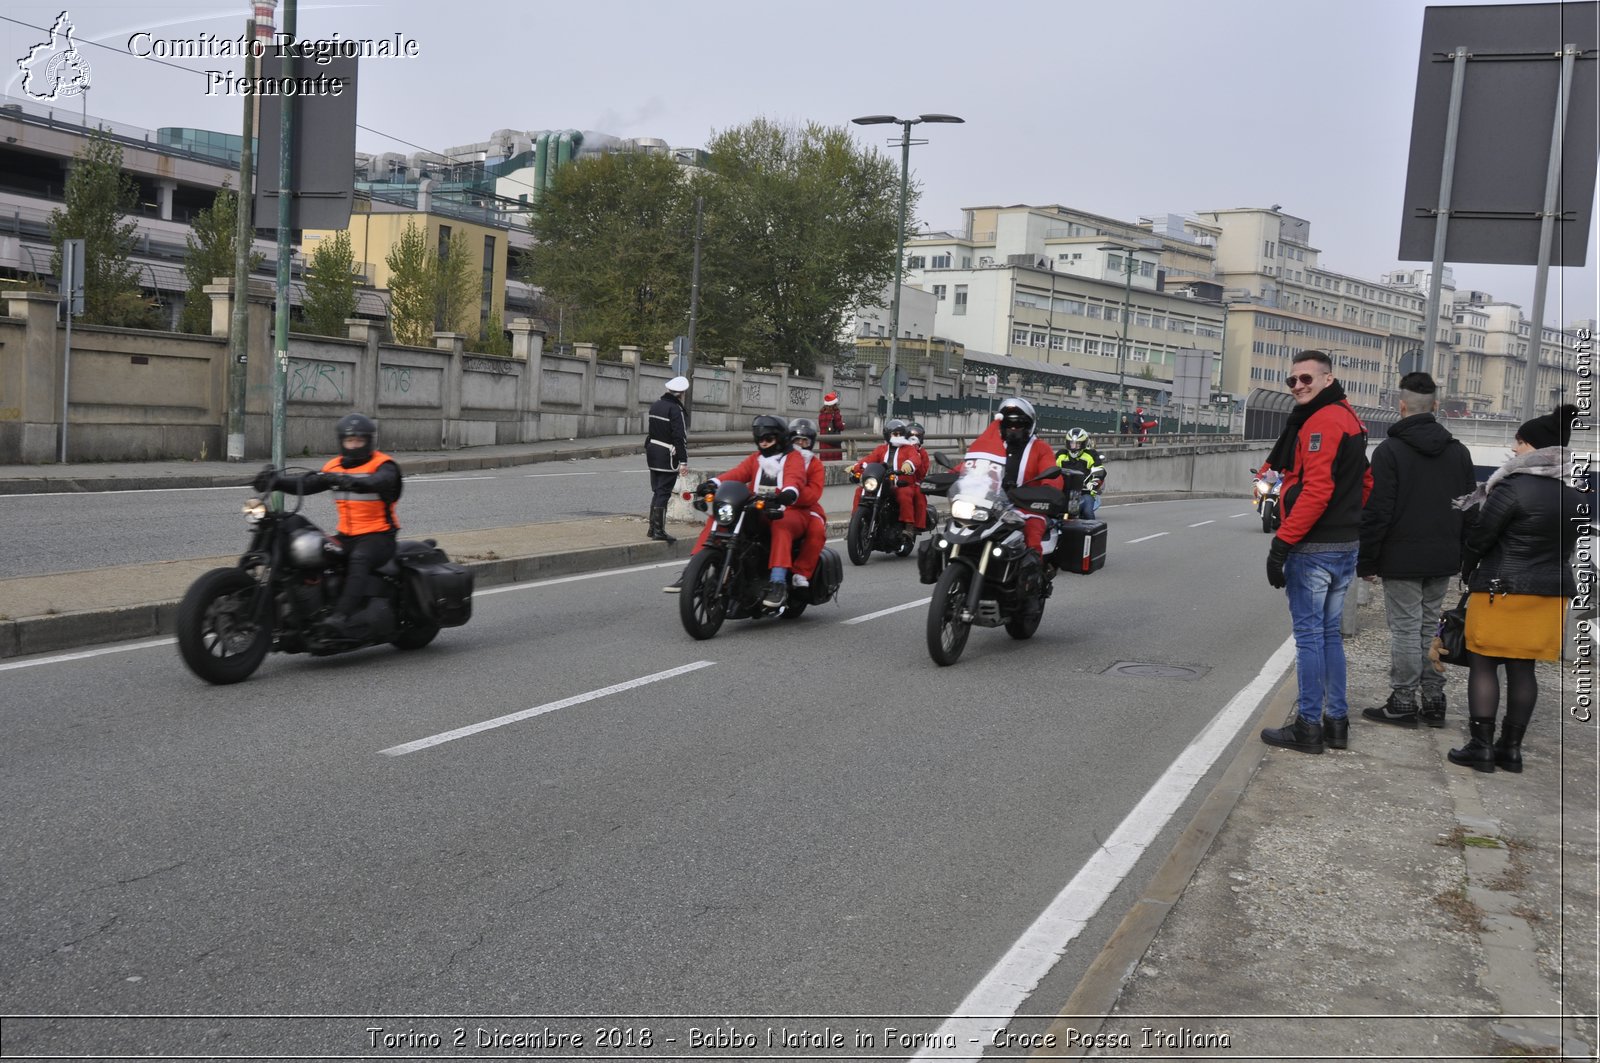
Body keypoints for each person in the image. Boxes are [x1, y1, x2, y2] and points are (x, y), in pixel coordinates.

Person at [1446, 405, 1584, 774]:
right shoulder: (1573, 496)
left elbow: (1481, 537)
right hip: (1550, 594)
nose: (1513, 448)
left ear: (1534, 447)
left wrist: (1468, 566)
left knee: (1484, 662)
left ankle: (1481, 747)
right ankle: (1511, 750)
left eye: (1519, 442)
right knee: (1524, 669)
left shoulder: (1510, 488)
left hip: (1500, 588)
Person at [1259, 351, 1373, 755]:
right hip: (1344, 547)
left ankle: (1308, 726)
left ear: (1328, 379)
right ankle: (1336, 723)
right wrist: (1348, 519)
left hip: (1315, 548)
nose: (1298, 386)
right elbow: (1366, 480)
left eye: (1306, 378)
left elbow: (1317, 490)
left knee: (1309, 637)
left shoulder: (1321, 422)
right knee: (1328, 636)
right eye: (1291, 381)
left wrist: (1282, 544)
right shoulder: (1350, 418)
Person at [1357, 372, 1476, 729]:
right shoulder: (1458, 452)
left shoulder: (1389, 451)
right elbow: (1469, 508)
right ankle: (1435, 700)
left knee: (1407, 629)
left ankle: (1404, 701)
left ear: (1401, 405)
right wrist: (1466, 558)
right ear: (1437, 407)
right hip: (1443, 557)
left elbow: (1378, 511)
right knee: (1430, 626)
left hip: (1401, 556)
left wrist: (1367, 559)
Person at [252, 412, 403, 640]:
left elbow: (381, 482)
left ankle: (341, 617)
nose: (353, 446)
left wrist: (355, 483)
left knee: (359, 558)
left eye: (359, 441)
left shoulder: (383, 465)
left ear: (369, 442)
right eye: (349, 441)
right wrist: (275, 482)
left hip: (379, 537)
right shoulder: (334, 466)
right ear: (341, 441)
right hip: (347, 536)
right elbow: (309, 483)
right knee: (309, 550)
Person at [662, 415, 808, 607]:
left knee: (781, 526)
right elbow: (738, 473)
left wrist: (788, 493)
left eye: (768, 439)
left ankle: (777, 583)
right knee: (718, 519)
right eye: (760, 439)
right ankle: (692, 572)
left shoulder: (793, 457)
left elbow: (794, 478)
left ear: (779, 439)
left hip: (786, 509)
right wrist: (712, 483)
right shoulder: (757, 458)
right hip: (757, 507)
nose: (763, 443)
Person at [964, 397, 1058, 610]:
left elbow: (1051, 474)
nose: (1014, 428)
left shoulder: (1041, 448)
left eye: (1020, 424)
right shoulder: (992, 446)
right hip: (990, 504)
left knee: (1032, 533)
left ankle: (1031, 587)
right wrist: (949, 477)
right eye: (1009, 424)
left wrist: (1049, 490)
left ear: (1030, 425)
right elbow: (970, 465)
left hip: (1028, 506)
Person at [850, 418, 926, 543]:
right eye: (895, 434)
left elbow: (915, 458)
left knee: (904, 494)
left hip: (900, 483)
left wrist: (909, 464)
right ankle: (855, 524)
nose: (899, 437)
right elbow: (870, 459)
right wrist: (856, 467)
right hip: (881, 482)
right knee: (860, 491)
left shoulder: (909, 449)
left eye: (901, 434)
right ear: (888, 435)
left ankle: (909, 525)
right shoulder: (881, 449)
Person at [644, 375, 690, 544]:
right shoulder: (675, 410)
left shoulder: (656, 405)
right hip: (667, 455)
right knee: (664, 492)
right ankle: (659, 530)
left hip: (652, 452)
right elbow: (680, 437)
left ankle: (652, 528)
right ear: (681, 393)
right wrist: (683, 461)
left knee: (657, 491)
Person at [786, 417, 828, 588]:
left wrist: (792, 496)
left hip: (805, 506)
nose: (800, 445)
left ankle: (801, 572)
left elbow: (814, 492)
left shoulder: (815, 465)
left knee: (817, 530)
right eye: (796, 441)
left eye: (805, 441)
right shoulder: (780, 458)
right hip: (776, 503)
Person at [1055, 427, 1108, 520]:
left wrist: (1093, 483)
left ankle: (1091, 531)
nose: (1074, 446)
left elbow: (1099, 470)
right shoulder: (1061, 454)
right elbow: (1051, 468)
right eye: (1071, 443)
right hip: (1063, 492)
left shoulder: (1091, 454)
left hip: (1084, 492)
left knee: (1088, 512)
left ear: (1084, 443)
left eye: (1077, 444)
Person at [818, 392, 846, 462]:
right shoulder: (835, 414)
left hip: (823, 444)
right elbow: (840, 426)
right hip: (833, 444)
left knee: (825, 465)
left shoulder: (821, 414)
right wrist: (843, 425)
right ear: (834, 404)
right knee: (835, 464)